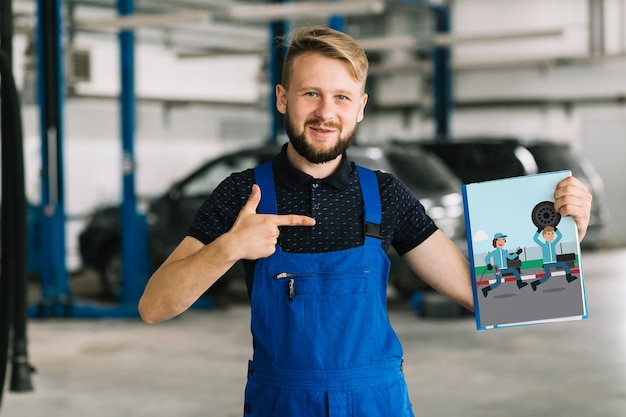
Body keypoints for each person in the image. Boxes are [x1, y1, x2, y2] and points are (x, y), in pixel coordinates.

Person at [138, 25, 593, 417]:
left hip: (377, 403)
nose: (325, 112)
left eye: (341, 97)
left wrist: (562, 231)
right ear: (282, 98)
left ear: (360, 106)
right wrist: (229, 247)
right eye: (310, 93)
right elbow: (153, 307)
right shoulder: (242, 195)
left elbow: (492, 296)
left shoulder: (386, 195)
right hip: (282, 404)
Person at [531, 226, 578, 291]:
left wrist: (556, 229)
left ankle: (569, 278)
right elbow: (535, 239)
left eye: (552, 233)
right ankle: (534, 284)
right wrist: (538, 231)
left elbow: (559, 236)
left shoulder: (553, 244)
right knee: (547, 276)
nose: (551, 235)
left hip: (554, 262)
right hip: (547, 263)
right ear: (544, 235)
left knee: (564, 265)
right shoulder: (543, 245)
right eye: (548, 234)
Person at [482, 232, 527, 297]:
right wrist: (488, 264)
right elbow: (486, 258)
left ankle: (519, 283)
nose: (501, 242)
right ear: (495, 242)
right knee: (498, 282)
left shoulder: (503, 251)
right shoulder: (494, 252)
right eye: (499, 240)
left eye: (503, 240)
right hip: (496, 268)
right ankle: (485, 290)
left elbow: (511, 257)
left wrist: (517, 253)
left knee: (514, 270)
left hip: (504, 268)